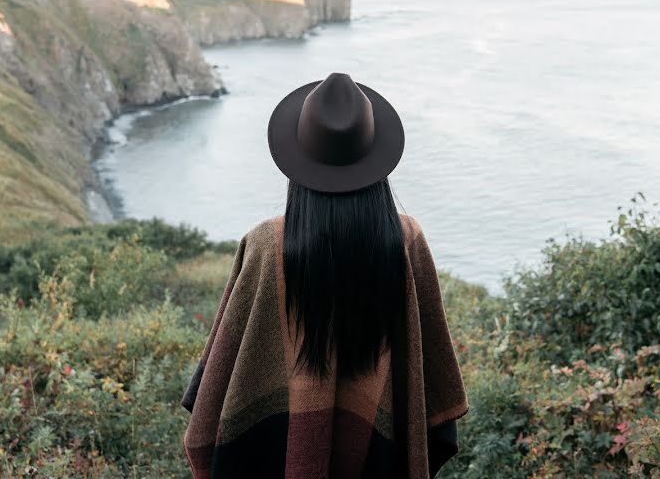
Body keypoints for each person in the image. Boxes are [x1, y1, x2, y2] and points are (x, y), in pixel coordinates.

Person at [181, 72, 468, 478]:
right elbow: (433, 395)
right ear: (375, 160)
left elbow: (221, 385)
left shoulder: (264, 244)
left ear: (297, 160)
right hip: (378, 462)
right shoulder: (407, 240)